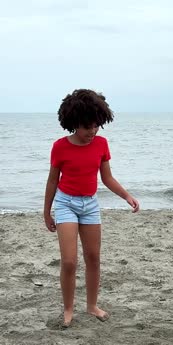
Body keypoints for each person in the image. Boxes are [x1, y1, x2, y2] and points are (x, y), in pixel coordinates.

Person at [43, 89, 139, 328]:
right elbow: (52, 180)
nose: (92, 132)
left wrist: (126, 195)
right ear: (74, 123)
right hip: (66, 203)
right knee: (69, 261)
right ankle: (67, 309)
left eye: (96, 126)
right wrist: (47, 211)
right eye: (87, 127)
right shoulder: (60, 147)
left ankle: (92, 305)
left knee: (93, 258)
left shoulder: (101, 144)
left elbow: (107, 178)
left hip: (90, 205)